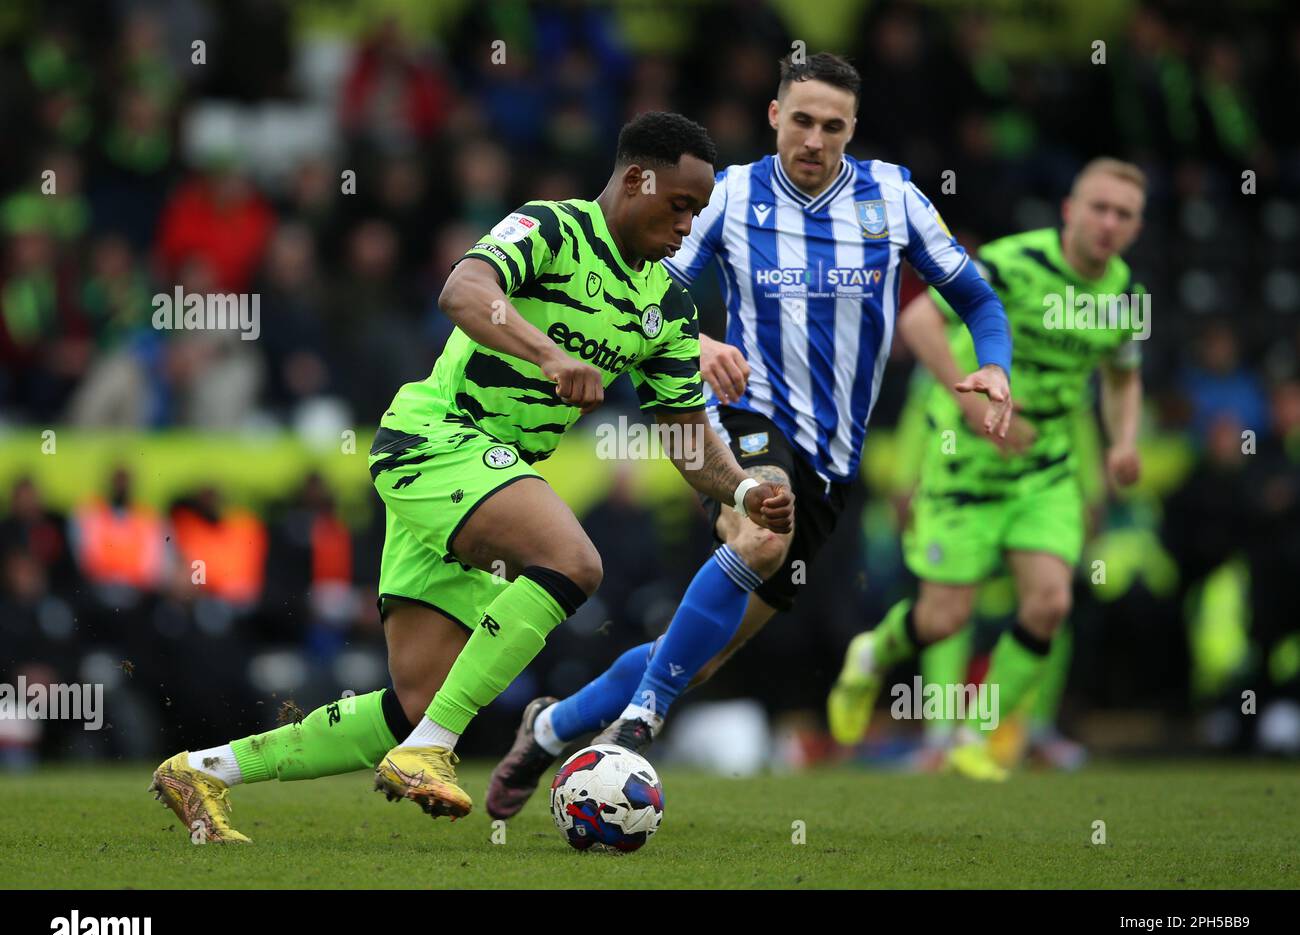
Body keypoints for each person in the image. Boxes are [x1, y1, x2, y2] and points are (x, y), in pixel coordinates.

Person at [148, 112, 793, 842]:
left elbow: (684, 434)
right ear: (636, 178)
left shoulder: (670, 306)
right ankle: (430, 752)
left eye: (698, 213)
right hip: (437, 438)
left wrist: (742, 488)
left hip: (485, 476)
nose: (686, 226)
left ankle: (203, 770)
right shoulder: (552, 229)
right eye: (679, 205)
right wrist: (548, 353)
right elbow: (462, 288)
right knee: (574, 562)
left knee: (414, 698)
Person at [487, 52, 1013, 821]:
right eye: (801, 120)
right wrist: (695, 341)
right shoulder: (731, 196)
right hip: (744, 418)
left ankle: (553, 725)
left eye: (833, 126)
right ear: (775, 117)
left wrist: (994, 367)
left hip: (834, 459)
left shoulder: (893, 198)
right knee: (764, 528)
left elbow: (975, 297)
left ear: (852, 130)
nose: (815, 138)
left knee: (700, 654)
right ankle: (640, 724)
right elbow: (654, 284)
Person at [828, 157, 1147, 781]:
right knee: (944, 617)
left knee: (1050, 602)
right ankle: (871, 654)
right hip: (963, 468)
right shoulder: (1010, 264)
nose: (1109, 223)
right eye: (1099, 208)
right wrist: (967, 405)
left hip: (1043, 469)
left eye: (1125, 214)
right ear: (1070, 211)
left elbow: (1123, 375)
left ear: (1136, 226)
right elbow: (919, 318)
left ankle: (978, 736)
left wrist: (1122, 443)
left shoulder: (1127, 295)